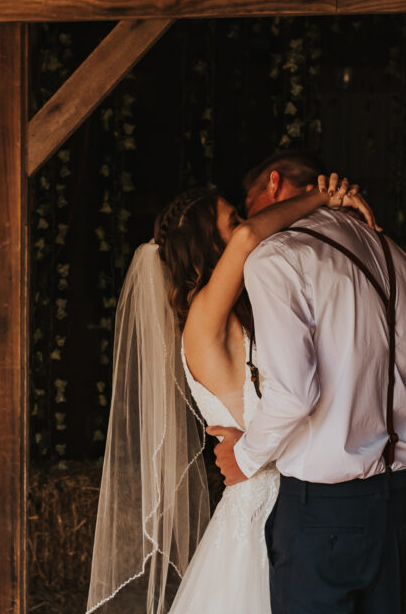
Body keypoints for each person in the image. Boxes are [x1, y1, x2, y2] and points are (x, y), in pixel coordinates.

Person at [86, 161, 378, 614]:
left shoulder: (238, 316)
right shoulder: (202, 321)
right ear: (208, 242)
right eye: (233, 220)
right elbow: (248, 241)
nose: (247, 227)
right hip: (260, 510)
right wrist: (324, 197)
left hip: (288, 504)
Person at [208, 149, 406, 613]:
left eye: (247, 205)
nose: (249, 221)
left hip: (320, 512)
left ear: (274, 186)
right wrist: (380, 433)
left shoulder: (277, 258)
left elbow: (293, 394)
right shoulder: (402, 261)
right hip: (398, 503)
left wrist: (244, 458)